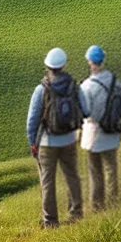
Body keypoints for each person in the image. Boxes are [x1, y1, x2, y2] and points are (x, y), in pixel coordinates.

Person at [26, 47, 84, 228]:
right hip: (69, 139)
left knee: (47, 181)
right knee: (72, 176)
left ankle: (50, 221)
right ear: (64, 64)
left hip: (47, 142)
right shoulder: (74, 87)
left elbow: (32, 121)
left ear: (47, 66)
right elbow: (84, 111)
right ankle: (76, 214)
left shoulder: (41, 90)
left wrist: (33, 143)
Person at [79, 44, 121, 211]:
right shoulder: (115, 81)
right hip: (112, 130)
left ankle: (97, 206)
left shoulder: (86, 86)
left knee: (94, 171)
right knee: (111, 168)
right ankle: (114, 202)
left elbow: (85, 112)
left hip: (93, 133)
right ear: (103, 60)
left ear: (90, 62)